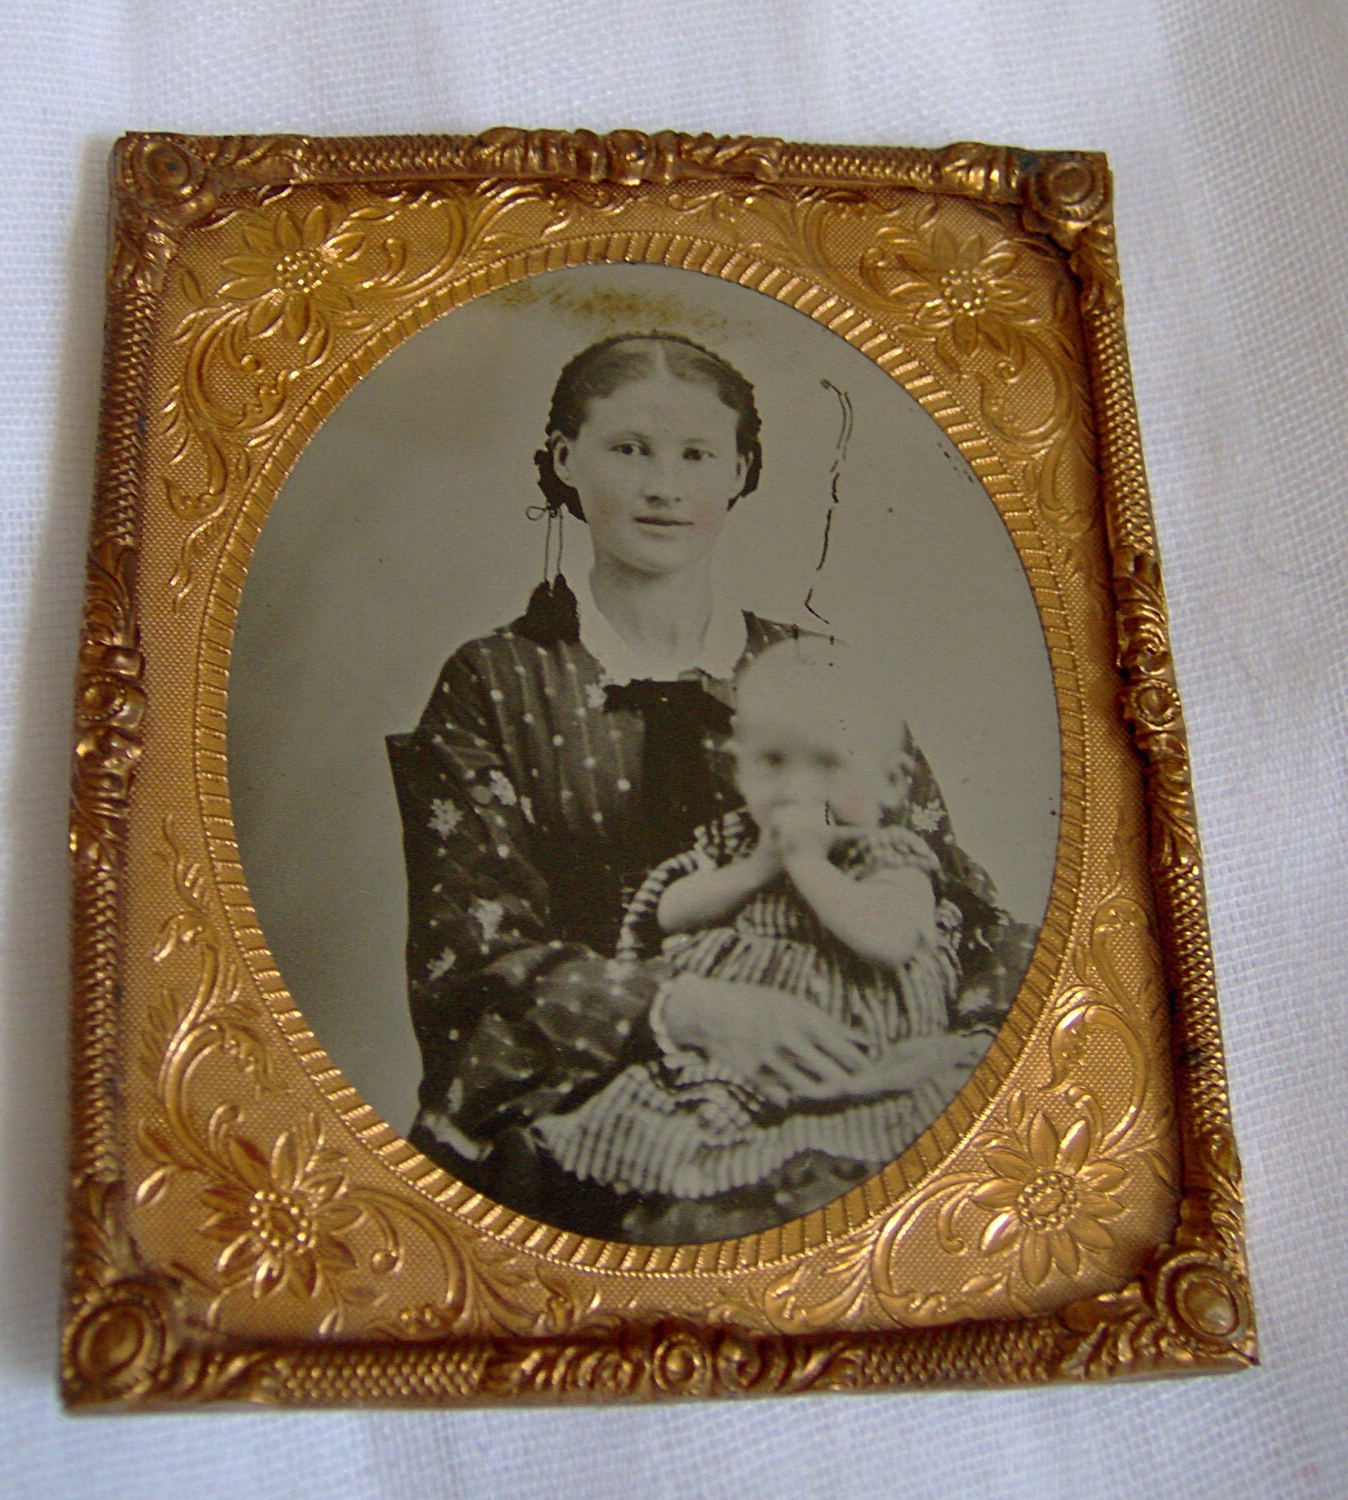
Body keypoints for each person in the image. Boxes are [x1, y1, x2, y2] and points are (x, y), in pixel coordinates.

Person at [386, 331, 1030, 1242]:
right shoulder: (496, 682)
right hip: (610, 1104)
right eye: (628, 449)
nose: (663, 486)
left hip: (850, 1064)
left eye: (695, 455)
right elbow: (472, 969)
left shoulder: (815, 673)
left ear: (740, 472)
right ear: (565, 459)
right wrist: (680, 1010)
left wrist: (946, 1046)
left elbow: (954, 902)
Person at [532, 638, 992, 1240]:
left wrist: (808, 865)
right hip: (729, 1068)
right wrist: (756, 869)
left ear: (892, 783)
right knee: (664, 1134)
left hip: (858, 1063)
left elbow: (892, 940)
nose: (796, 789)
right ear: (737, 767)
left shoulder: (889, 853)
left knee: (892, 1133)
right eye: (772, 761)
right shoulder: (734, 844)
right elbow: (667, 912)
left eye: (828, 764)